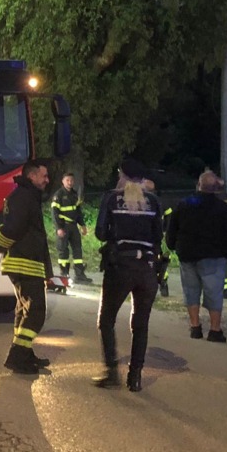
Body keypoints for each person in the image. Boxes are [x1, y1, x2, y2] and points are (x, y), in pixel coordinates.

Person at [92, 157, 163, 392]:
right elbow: (157, 237)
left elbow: (101, 233)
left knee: (106, 320)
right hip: (147, 270)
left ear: (122, 175)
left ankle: (112, 373)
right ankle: (135, 377)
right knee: (141, 325)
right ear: (143, 179)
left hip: (120, 267)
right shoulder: (153, 202)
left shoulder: (112, 198)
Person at [0, 158, 62, 375]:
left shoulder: (26, 196)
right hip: (25, 262)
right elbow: (13, 228)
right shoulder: (24, 197)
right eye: (44, 176)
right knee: (36, 313)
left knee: (24, 311)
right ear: (31, 176)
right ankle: (17, 355)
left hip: (25, 262)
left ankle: (25, 353)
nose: (47, 180)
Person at [165, 169, 227, 343]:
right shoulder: (223, 208)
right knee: (214, 293)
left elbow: (172, 230)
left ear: (199, 185)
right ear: (215, 188)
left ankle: (195, 327)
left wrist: (174, 246)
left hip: (187, 255)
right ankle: (215, 330)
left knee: (191, 292)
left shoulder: (184, 204)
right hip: (214, 257)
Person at [51, 172, 93, 284]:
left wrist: (83, 225)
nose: (70, 182)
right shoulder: (58, 195)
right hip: (63, 226)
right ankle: (64, 273)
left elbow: (78, 212)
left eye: (72, 180)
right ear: (63, 181)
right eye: (67, 180)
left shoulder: (75, 195)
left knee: (77, 250)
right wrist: (59, 228)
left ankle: (79, 275)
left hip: (73, 226)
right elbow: (54, 213)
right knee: (63, 250)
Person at [145, 178, 171, 296]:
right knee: (158, 259)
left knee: (152, 260)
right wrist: (166, 229)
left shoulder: (145, 201)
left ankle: (161, 282)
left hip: (149, 237)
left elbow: (168, 215)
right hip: (156, 236)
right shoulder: (160, 201)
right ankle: (163, 282)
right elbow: (169, 215)